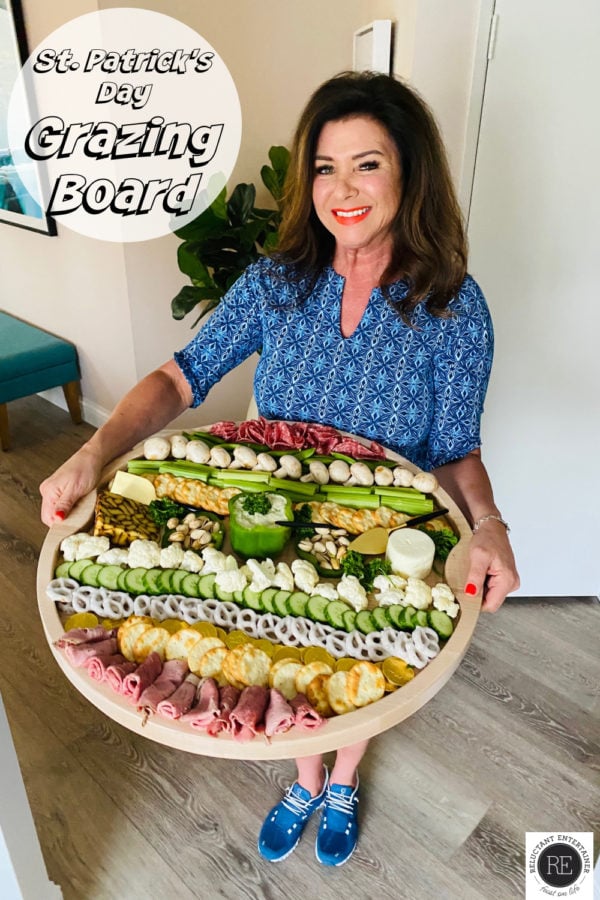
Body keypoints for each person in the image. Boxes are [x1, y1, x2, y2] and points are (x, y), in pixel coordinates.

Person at [40, 72, 519, 867]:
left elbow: (457, 450)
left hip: (383, 544)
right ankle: (306, 774)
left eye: (368, 163)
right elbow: (178, 377)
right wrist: (93, 449)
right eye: (326, 167)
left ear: (409, 173)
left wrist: (493, 526)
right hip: (263, 527)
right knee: (282, 657)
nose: (344, 188)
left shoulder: (453, 308)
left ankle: (344, 776)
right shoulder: (275, 282)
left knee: (355, 670)